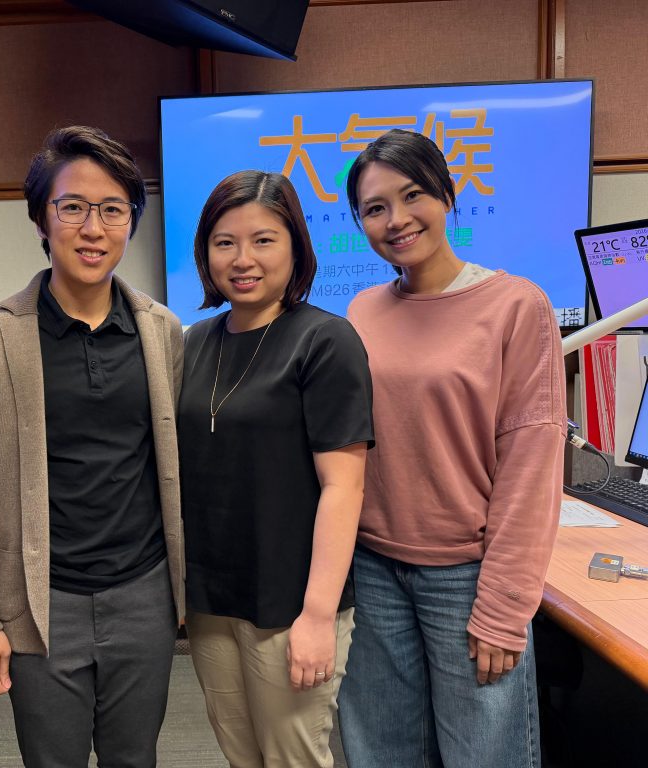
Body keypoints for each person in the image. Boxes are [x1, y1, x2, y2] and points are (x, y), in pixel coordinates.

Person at [0, 125, 184, 767]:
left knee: (135, 758)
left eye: (112, 210)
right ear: (41, 220)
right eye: (72, 207)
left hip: (144, 593)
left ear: (131, 222)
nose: (92, 228)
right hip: (38, 600)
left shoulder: (162, 331)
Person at [337, 128, 566, 768]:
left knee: (483, 756)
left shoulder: (516, 305)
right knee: (380, 753)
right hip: (372, 567)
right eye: (375, 208)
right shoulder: (362, 310)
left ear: (446, 194)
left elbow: (531, 465)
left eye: (413, 195)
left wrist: (504, 607)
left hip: (466, 577)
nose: (396, 219)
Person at [178, 170, 374, 767]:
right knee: (241, 755)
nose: (243, 259)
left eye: (263, 240)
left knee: (293, 757)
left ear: (295, 247)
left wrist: (317, 615)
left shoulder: (325, 341)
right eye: (225, 242)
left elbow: (343, 487)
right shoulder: (193, 342)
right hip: (212, 600)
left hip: (291, 602)